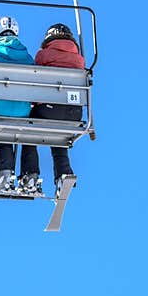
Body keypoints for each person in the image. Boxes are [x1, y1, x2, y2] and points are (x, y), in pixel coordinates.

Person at [19, 23, 87, 195]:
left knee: (27, 132)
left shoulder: (43, 55)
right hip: (74, 112)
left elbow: (37, 82)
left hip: (48, 108)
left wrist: (34, 102)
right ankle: (64, 173)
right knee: (59, 136)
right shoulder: (80, 60)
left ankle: (30, 174)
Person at [0, 16, 35, 191]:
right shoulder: (28, 57)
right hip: (23, 111)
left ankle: (4, 171)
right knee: (27, 129)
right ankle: (31, 175)